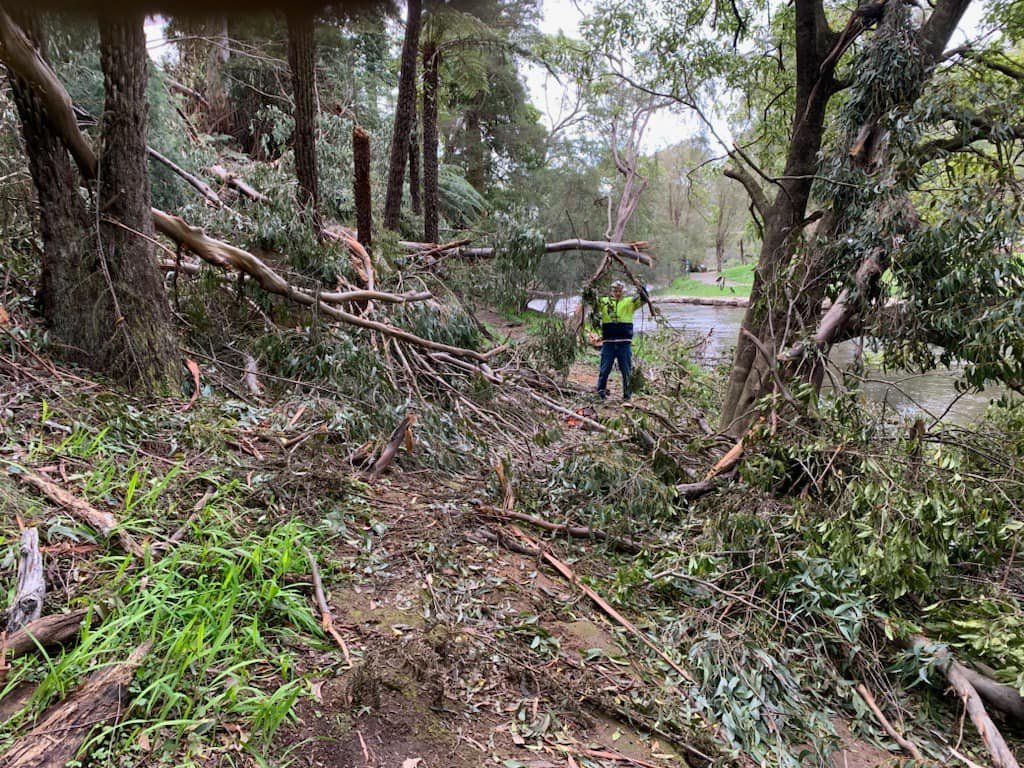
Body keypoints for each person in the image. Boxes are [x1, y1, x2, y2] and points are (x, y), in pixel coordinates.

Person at [594, 280, 649, 401]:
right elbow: (591, 301)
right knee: (604, 370)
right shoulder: (604, 302)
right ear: (611, 291)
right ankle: (600, 394)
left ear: (623, 291)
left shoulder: (629, 302)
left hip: (624, 344)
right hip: (608, 343)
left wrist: (641, 287)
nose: (617, 293)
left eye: (619, 291)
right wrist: (592, 286)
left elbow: (645, 299)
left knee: (626, 371)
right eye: (615, 291)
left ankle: (627, 397)